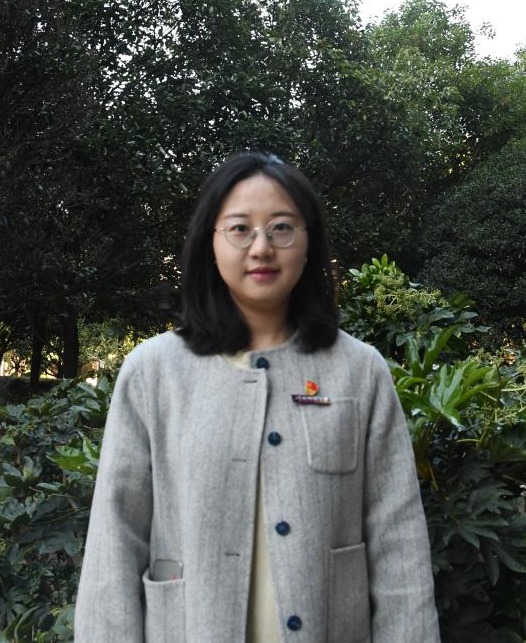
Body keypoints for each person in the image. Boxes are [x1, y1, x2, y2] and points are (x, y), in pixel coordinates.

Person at [74, 152, 440, 642]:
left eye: (282, 228)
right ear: (211, 243)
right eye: (240, 229)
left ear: (309, 244)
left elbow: (399, 543)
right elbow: (114, 542)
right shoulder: (154, 373)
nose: (262, 247)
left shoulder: (359, 371)